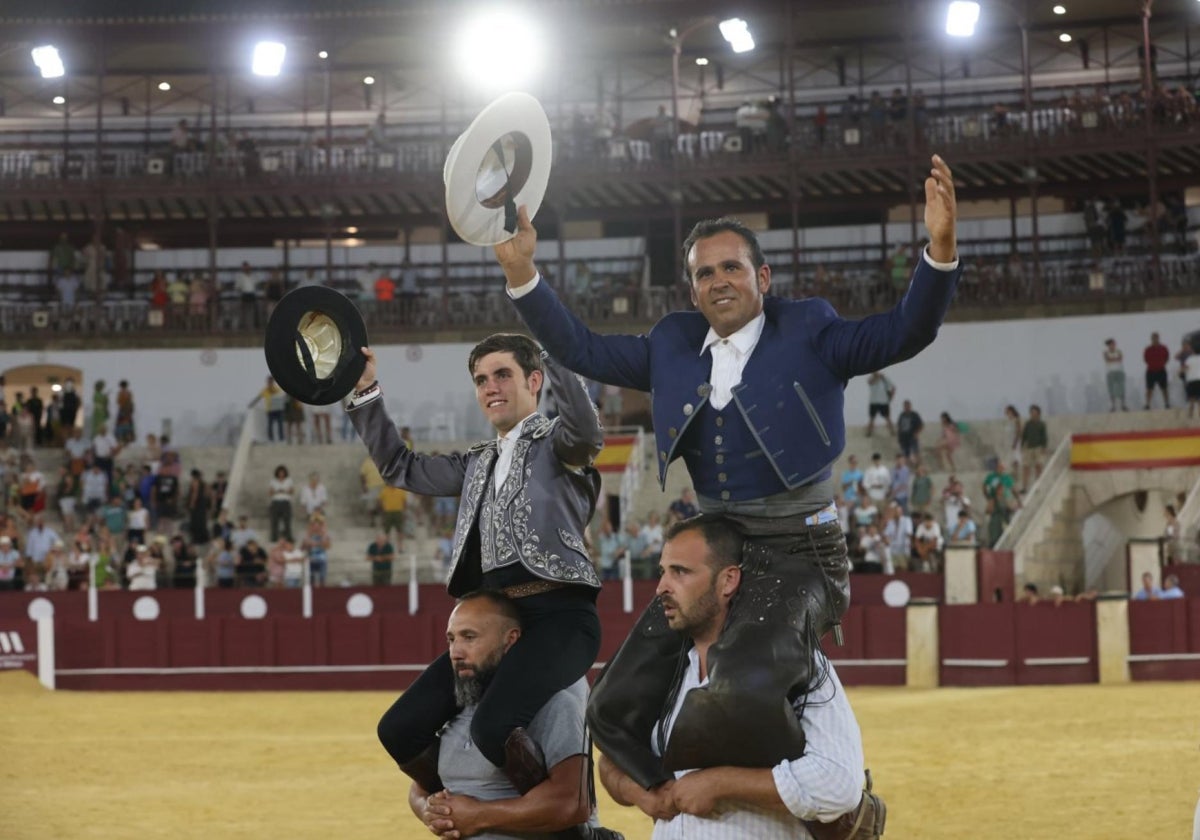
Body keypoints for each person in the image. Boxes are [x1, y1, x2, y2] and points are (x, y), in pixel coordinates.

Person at [498, 154, 960, 788]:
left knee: (739, 687)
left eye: (732, 268)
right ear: (691, 288)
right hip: (715, 550)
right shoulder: (672, 345)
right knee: (610, 706)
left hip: (801, 549)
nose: (718, 281)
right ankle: (677, 802)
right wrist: (523, 272)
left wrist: (939, 250)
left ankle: (833, 798)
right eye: (704, 272)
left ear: (762, 277)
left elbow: (905, 332)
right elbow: (581, 349)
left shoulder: (812, 330)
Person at [347, 333, 605, 796]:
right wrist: (366, 390)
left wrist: (554, 343)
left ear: (535, 380)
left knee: (492, 728)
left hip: (561, 621)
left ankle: (559, 826)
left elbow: (586, 432)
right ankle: (460, 807)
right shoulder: (476, 463)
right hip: (494, 625)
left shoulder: (560, 445)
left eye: (502, 374)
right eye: (481, 379)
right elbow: (398, 468)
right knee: (398, 729)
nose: (490, 387)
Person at [596, 517, 881, 839]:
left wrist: (719, 784)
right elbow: (613, 760)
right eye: (663, 571)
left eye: (681, 572)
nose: (662, 587)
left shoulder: (794, 657)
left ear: (728, 581)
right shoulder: (668, 670)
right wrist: (641, 792)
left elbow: (838, 784)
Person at [407, 590, 622, 840]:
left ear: (510, 640)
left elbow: (571, 803)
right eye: (452, 639)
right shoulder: (457, 704)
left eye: (469, 637)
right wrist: (429, 811)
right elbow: (419, 790)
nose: (456, 652)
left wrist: (479, 815)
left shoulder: (554, 702)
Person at [1144, 332, 1171, 410]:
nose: (1155, 339)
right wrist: (1153, 364)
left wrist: (1161, 364)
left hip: (1161, 370)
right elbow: (1145, 359)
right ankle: (1147, 404)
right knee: (1149, 389)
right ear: (1151, 339)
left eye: (1156, 338)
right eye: (1153, 338)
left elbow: (1167, 357)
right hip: (1151, 371)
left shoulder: (1163, 348)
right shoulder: (1148, 349)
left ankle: (1167, 403)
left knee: (1164, 388)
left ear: (1158, 338)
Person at [864, 371, 896, 437]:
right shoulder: (871, 378)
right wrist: (878, 377)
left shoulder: (884, 379)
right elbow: (870, 383)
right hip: (874, 402)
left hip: (884, 402)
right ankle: (869, 432)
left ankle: (892, 431)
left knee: (887, 418)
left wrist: (891, 397)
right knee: (872, 418)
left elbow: (893, 387)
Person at [1103, 338, 1128, 411]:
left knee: (1121, 388)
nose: (1112, 345)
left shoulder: (1119, 351)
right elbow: (1107, 360)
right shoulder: (1106, 352)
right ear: (1109, 345)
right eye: (1111, 344)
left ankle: (1123, 405)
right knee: (1111, 389)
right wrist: (1115, 359)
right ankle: (1113, 406)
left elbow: (1120, 359)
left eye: (1113, 344)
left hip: (1119, 371)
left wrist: (1113, 359)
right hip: (1110, 372)